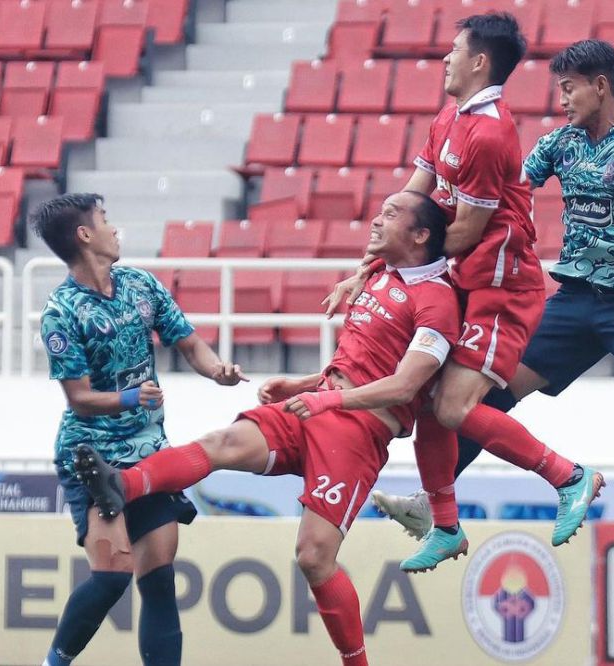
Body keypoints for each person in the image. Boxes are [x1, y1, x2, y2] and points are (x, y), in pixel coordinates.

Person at [71, 191, 461, 666]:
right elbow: (358, 364)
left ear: (421, 235)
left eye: (392, 214)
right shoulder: (378, 275)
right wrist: (305, 384)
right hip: (316, 404)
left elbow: (404, 386)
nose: (377, 220)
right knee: (222, 442)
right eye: (380, 210)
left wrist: (326, 398)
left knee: (314, 557)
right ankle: (121, 485)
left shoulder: (437, 301)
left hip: (356, 433)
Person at [372, 39, 614, 542]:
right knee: (487, 400)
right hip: (572, 301)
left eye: (569, 89)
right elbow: (507, 190)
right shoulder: (560, 143)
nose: (562, 100)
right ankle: (432, 502)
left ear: (600, 87)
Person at [327, 13, 604, 573]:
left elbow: (464, 233)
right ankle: (446, 527)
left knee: (453, 406)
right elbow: (410, 204)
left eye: (454, 51)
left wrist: (392, 266)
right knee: (432, 402)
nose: (445, 59)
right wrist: (369, 266)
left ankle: (570, 477)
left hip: (501, 288)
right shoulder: (451, 117)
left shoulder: (489, 132)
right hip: (463, 279)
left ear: (480, 62)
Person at [34, 193, 247, 666]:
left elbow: (189, 343)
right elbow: (79, 399)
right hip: (93, 456)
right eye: (106, 221)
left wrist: (218, 371)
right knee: (112, 577)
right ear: (85, 235)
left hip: (150, 451)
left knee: (159, 578)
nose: (115, 229)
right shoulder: (62, 313)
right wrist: (132, 397)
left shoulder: (140, 284)